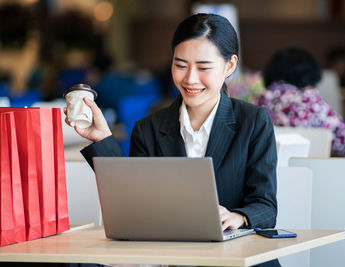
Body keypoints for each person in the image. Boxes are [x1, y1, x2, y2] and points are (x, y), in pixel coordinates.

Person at [66, 13, 279, 266]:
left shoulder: (253, 121)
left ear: (229, 66)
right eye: (180, 65)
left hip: (236, 258)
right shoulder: (149, 128)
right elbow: (134, 202)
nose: (190, 78)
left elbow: (265, 205)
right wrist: (102, 139)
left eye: (203, 67)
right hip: (172, 259)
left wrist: (237, 217)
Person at [255, 46, 345, 157]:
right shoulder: (307, 100)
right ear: (309, 74)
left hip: (271, 173)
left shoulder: (260, 99)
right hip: (312, 172)